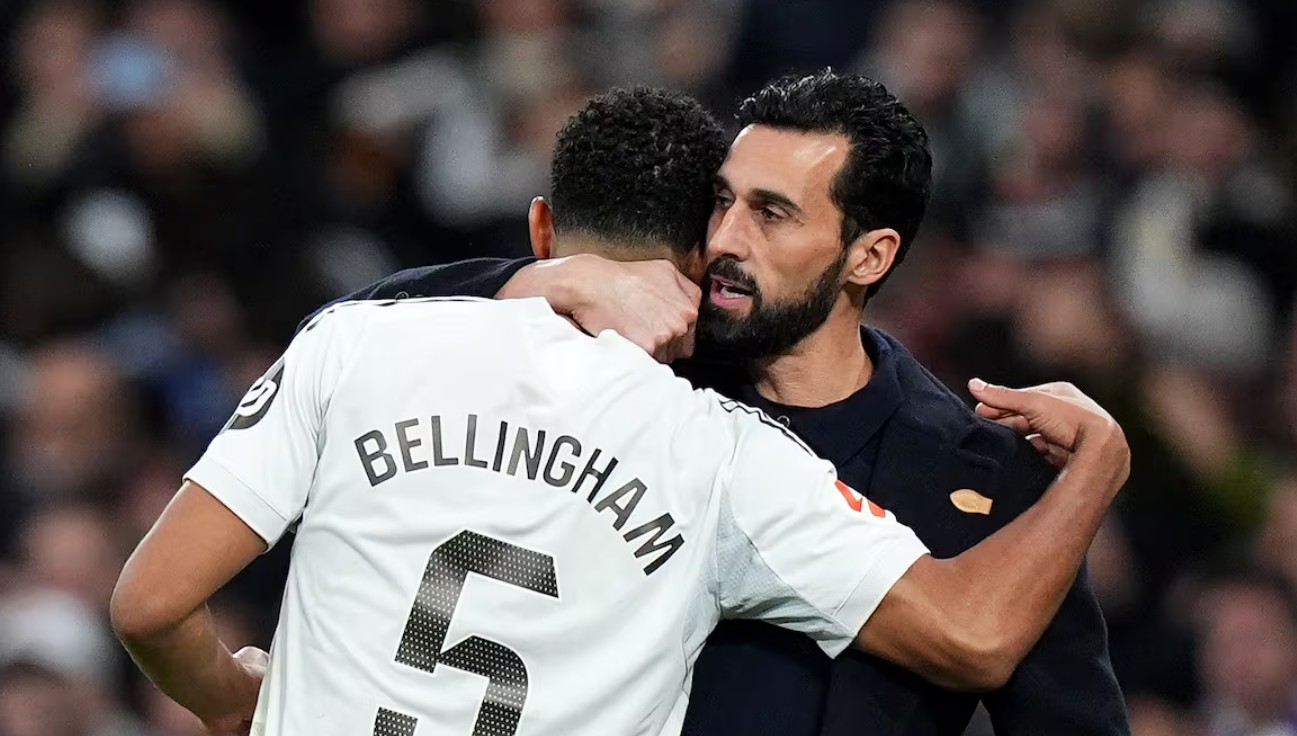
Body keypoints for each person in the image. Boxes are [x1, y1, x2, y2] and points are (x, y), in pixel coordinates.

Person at [111, 88, 1131, 736]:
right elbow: (966, 630)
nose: (727, 239)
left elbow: (152, 599)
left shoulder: (983, 475)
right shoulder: (694, 423)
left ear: (869, 255)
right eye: (720, 203)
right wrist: (540, 281)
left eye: (771, 213)